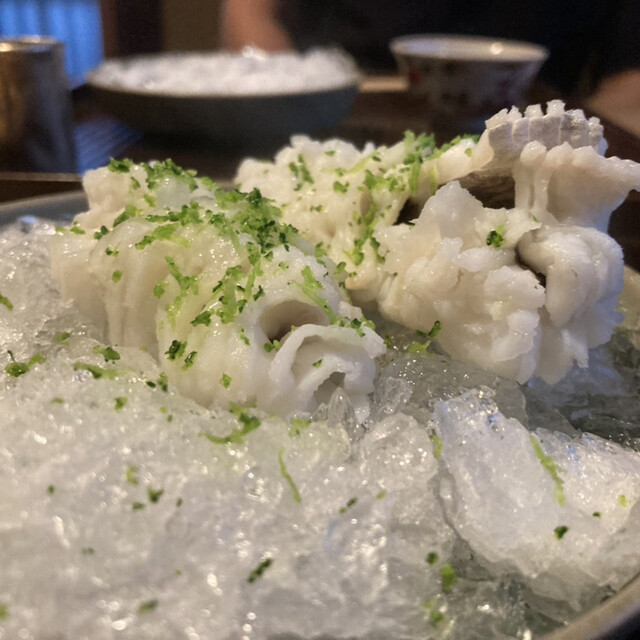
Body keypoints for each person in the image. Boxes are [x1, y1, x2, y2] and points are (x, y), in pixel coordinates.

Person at [221, 0, 640, 135]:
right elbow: (251, 11)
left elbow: (632, 85)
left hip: (530, 129)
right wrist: (282, 100)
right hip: (330, 119)